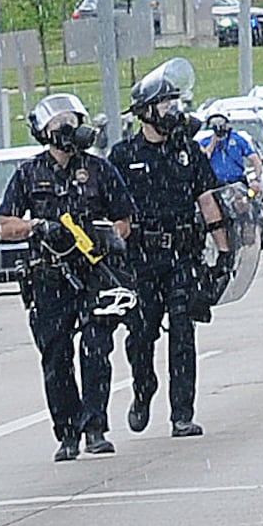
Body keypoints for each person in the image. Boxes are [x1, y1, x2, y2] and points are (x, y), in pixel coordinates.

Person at [0, 93, 136, 460]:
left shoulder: (99, 170)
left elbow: (125, 220)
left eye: (73, 121)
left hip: (94, 274)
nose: (70, 129)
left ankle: (95, 427)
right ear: (45, 130)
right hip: (49, 275)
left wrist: (107, 235)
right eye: (61, 123)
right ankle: (67, 433)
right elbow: (4, 225)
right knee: (56, 356)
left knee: (96, 349)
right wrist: (38, 227)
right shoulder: (29, 173)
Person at [109, 68, 230, 439]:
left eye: (175, 102)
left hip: (182, 258)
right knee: (140, 337)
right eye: (165, 103)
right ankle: (143, 388)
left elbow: (207, 200)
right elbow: (113, 212)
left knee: (183, 334)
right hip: (142, 261)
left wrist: (223, 253)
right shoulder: (123, 155)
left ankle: (182, 413)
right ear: (145, 111)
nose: (173, 110)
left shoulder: (188, 152)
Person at [199, 112, 263, 186]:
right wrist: (213, 142)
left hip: (237, 182)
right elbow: (205, 157)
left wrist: (257, 179)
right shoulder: (205, 142)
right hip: (215, 184)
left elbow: (255, 159)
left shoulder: (237, 140)